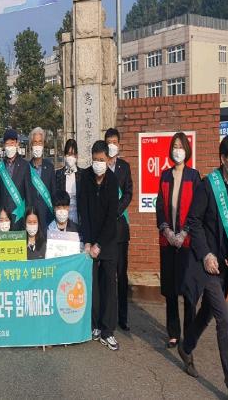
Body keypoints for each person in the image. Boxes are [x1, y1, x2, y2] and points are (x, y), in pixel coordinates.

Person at [178, 134, 228, 400]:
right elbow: (194, 221)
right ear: (223, 159)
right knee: (224, 319)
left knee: (208, 312)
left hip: (226, 263)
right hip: (205, 262)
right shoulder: (208, 185)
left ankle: (186, 347)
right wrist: (206, 254)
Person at [156, 132, 200, 349]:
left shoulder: (194, 176)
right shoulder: (165, 176)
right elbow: (159, 206)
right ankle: (173, 333)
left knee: (189, 291)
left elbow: (197, 208)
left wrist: (184, 232)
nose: (177, 150)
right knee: (171, 290)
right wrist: (166, 230)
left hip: (187, 242)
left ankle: (189, 333)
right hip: (168, 242)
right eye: (174, 146)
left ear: (187, 150)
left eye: (181, 146)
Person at [79, 140, 119, 351]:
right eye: (95, 160)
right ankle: (94, 325)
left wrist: (99, 244)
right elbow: (83, 210)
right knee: (92, 284)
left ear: (108, 159)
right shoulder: (85, 177)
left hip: (108, 241)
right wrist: (87, 241)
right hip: (90, 240)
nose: (98, 164)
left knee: (109, 286)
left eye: (101, 160)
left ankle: (107, 330)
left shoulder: (113, 180)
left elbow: (112, 217)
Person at [104, 128, 133, 332]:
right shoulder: (100, 165)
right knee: (107, 275)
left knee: (121, 275)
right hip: (105, 230)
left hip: (121, 228)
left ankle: (123, 317)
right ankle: (108, 315)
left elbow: (129, 193)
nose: (111, 145)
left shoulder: (124, 167)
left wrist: (117, 210)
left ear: (119, 144)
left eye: (114, 142)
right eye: (109, 142)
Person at [0, 128, 32, 231]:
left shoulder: (25, 165)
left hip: (19, 216)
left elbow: (28, 195)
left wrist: (28, 218)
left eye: (12, 143)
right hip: (3, 219)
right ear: (4, 146)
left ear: (17, 144)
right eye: (7, 144)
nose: (9, 147)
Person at [29, 127, 56, 234]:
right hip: (31, 217)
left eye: (40, 142)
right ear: (31, 145)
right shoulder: (25, 167)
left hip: (47, 216)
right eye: (35, 142)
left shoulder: (50, 167)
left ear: (43, 145)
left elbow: (53, 192)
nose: (37, 145)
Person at [55, 139, 83, 225]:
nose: (70, 157)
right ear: (65, 155)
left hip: (79, 216)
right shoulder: (58, 174)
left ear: (77, 156)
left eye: (73, 154)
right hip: (62, 216)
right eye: (68, 154)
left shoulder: (83, 174)